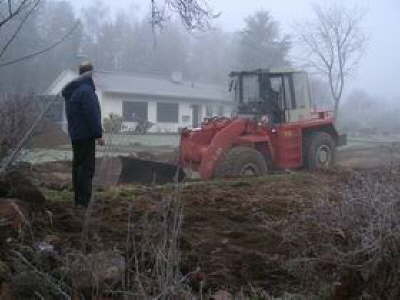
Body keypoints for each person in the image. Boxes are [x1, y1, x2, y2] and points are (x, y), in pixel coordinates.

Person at [62, 62, 104, 208]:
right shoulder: (86, 91)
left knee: (78, 167)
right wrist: (98, 134)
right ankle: (84, 202)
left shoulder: (73, 91)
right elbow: (91, 114)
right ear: (90, 74)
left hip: (76, 135)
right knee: (86, 168)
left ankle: (78, 200)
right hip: (86, 135)